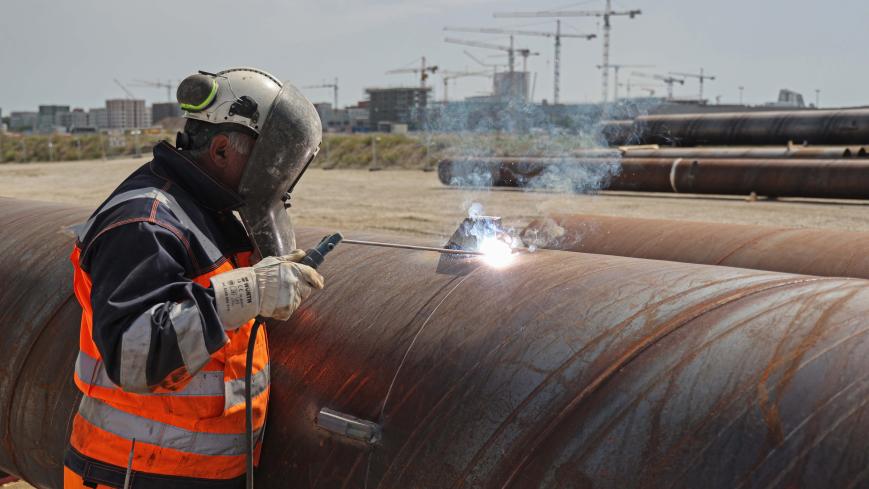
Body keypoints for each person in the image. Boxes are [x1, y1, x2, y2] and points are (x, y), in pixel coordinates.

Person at [63, 67, 324, 489]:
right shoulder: (146, 222)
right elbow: (136, 356)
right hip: (133, 474)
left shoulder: (210, 212)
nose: (280, 175)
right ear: (221, 150)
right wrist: (250, 291)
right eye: (271, 160)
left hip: (193, 473)